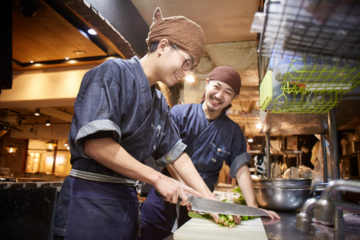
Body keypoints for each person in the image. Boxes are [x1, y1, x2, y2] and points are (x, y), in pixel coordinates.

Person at [52, 8, 219, 240]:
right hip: (89, 201)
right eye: (186, 62)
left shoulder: (159, 101)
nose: (186, 71)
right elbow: (97, 145)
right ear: (162, 46)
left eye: (191, 67)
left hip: (126, 204)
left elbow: (175, 154)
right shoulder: (113, 72)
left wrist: (208, 198)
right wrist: (158, 178)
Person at [139, 66, 281, 239]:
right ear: (207, 84)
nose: (219, 95)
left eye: (228, 92)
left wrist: (252, 207)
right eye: (216, 86)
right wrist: (189, 192)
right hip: (166, 198)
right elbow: (169, 156)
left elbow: (241, 169)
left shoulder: (233, 131)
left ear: (233, 98)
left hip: (204, 208)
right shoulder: (179, 114)